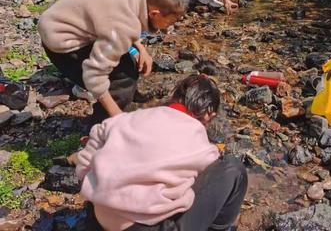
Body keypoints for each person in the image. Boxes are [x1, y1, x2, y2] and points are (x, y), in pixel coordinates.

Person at [75, 74, 247, 231]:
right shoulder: (198, 139)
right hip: (144, 228)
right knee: (233, 169)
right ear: (209, 114)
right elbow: (209, 178)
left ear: (174, 98)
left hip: (97, 220)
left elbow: (83, 166)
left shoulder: (124, 120)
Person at [38, 0, 189, 124]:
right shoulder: (124, 28)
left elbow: (116, 23)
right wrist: (117, 115)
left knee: (128, 66)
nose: (170, 27)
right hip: (61, 40)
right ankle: (100, 128)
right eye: (172, 21)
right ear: (154, 14)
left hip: (62, 18)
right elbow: (94, 75)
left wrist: (141, 49)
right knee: (121, 82)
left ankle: (128, 99)